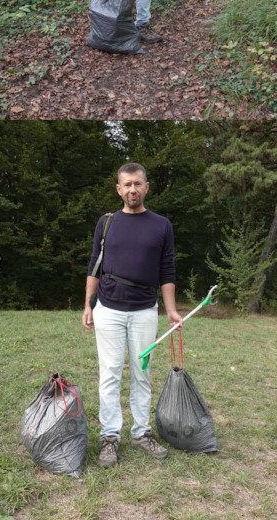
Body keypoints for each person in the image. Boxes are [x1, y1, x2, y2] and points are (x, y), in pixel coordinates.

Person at [82, 162, 181, 469]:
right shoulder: (107, 222)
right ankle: (110, 437)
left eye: (138, 184)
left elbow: (167, 270)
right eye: (127, 185)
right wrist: (88, 304)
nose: (133, 190)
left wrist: (171, 309)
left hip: (144, 312)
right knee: (109, 374)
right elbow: (94, 264)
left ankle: (141, 432)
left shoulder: (161, 224)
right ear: (119, 189)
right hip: (108, 309)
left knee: (142, 373)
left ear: (146, 187)